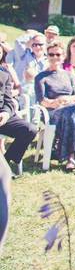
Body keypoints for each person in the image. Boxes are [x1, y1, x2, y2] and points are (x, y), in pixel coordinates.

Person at [34, 42, 75, 171]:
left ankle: (71, 157)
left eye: (58, 54)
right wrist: (55, 102)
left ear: (63, 56)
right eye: (51, 54)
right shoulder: (41, 77)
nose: (54, 57)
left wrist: (66, 99)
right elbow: (41, 100)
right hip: (52, 111)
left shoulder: (69, 75)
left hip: (71, 107)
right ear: (47, 56)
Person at [1, 46, 37, 177]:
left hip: (3, 116)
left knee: (30, 129)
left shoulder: (4, 74)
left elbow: (9, 100)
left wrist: (5, 113)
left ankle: (5, 162)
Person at [14, 35, 46, 108]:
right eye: (34, 45)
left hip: (41, 95)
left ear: (45, 45)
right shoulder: (24, 55)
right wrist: (31, 35)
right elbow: (17, 41)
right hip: (24, 93)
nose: (37, 47)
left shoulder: (49, 59)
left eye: (40, 44)